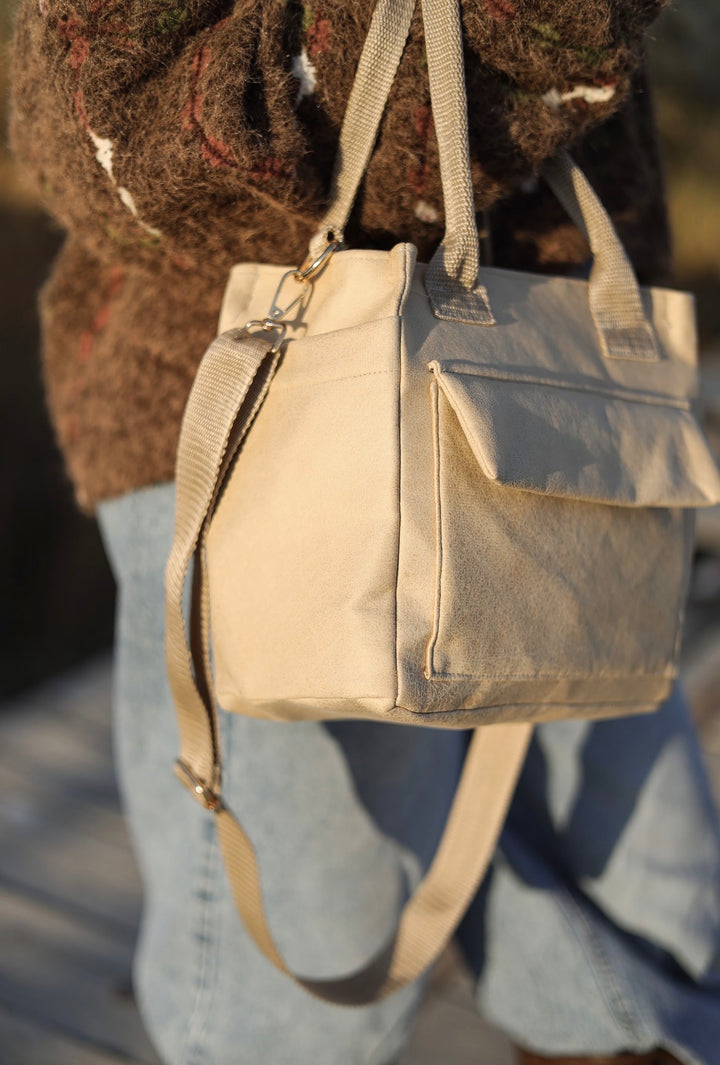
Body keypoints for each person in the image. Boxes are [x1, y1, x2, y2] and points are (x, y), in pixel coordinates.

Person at [10, 2, 720, 1063]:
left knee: (647, 924)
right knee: (309, 976)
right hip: (281, 432)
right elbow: (113, 137)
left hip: (570, 396)